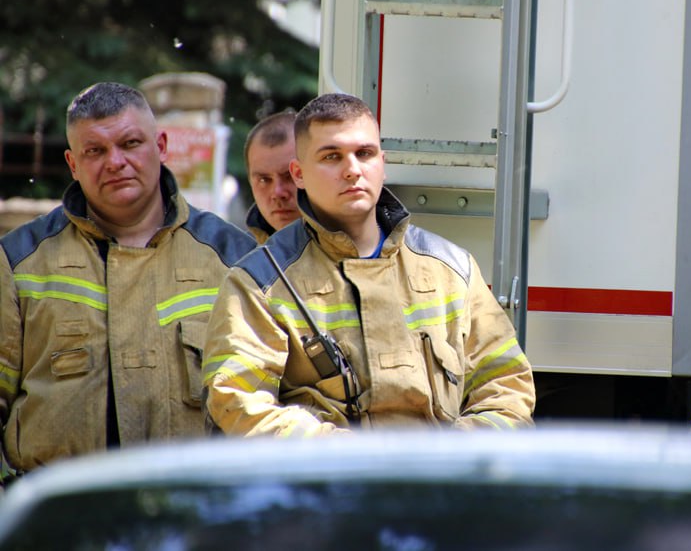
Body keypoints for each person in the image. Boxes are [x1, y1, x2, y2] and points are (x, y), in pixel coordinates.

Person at [202, 92, 535, 433]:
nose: (352, 170)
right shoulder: (258, 283)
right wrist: (346, 455)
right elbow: (238, 401)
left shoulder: (452, 268)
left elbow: (508, 387)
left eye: (364, 154)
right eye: (332, 157)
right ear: (299, 174)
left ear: (382, 163)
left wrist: (451, 453)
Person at [0, 82, 257, 475]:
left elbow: (265, 399)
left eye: (130, 143)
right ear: (73, 164)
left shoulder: (233, 256)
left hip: (194, 502)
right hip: (63, 506)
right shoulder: (18, 260)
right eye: (95, 151)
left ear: (161, 146)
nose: (115, 162)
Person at [243, 110, 300, 243]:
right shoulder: (241, 254)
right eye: (264, 180)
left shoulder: (349, 249)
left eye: (290, 176)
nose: (277, 192)